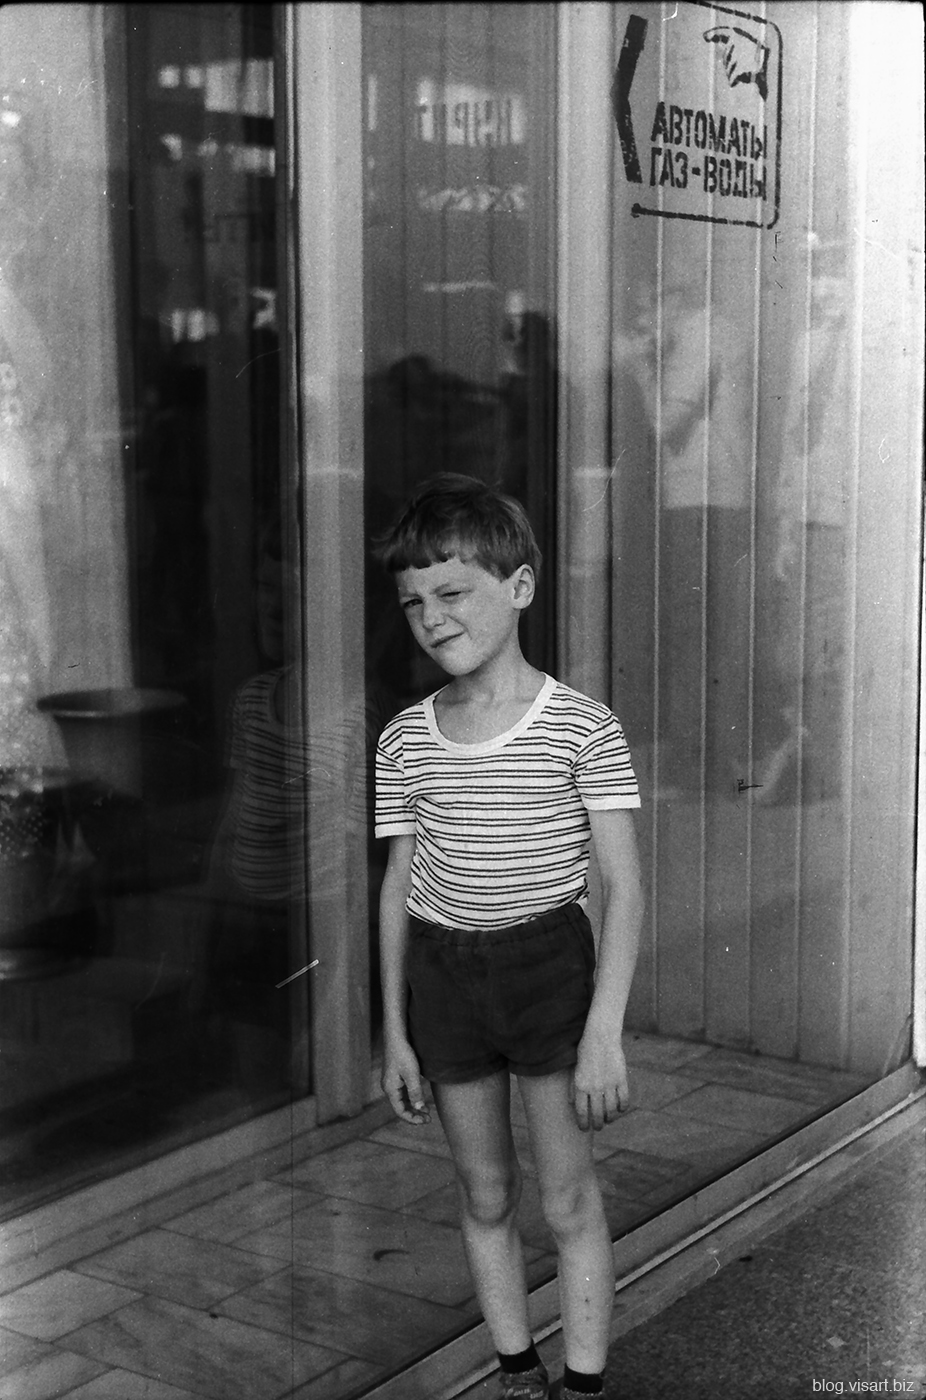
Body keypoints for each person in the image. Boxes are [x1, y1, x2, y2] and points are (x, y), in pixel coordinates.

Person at [373, 474, 644, 1400]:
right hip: (446, 978)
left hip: (547, 970)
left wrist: (604, 1031)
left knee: (567, 1198)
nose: (432, 618)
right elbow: (398, 884)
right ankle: (517, 1370)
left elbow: (624, 887)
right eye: (414, 602)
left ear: (520, 587)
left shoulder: (581, 727)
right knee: (485, 1192)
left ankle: (585, 1383)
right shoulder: (405, 739)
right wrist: (397, 1031)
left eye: (453, 592)